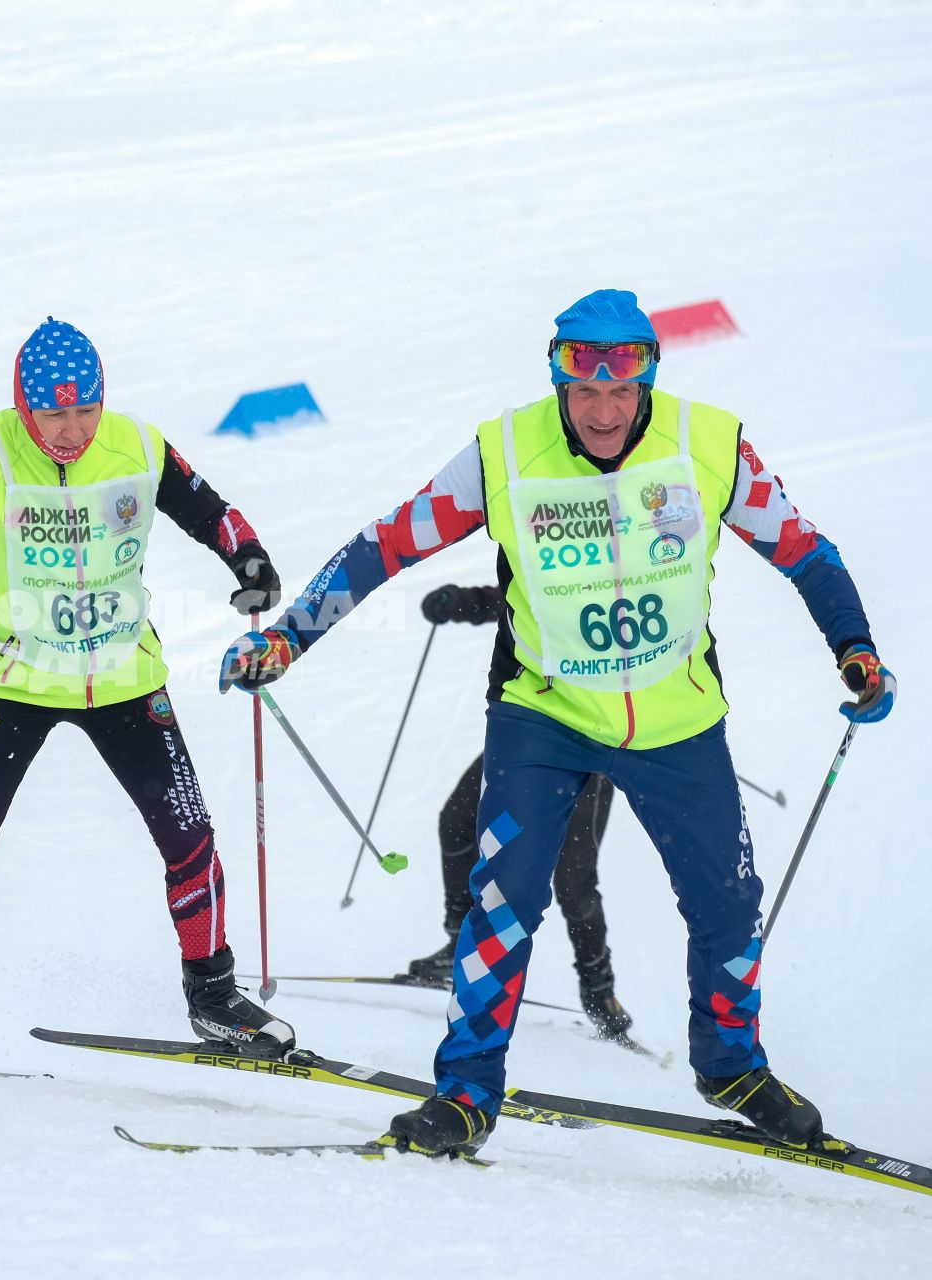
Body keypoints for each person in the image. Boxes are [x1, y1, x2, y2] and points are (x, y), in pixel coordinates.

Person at [221, 290, 894, 1157]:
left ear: (648, 376)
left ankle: (731, 1065)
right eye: (585, 392)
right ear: (559, 379)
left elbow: (805, 549)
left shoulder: (710, 443)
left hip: (677, 719)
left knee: (727, 905)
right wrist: (289, 637)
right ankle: (464, 1093)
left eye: (622, 391)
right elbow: (387, 543)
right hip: (543, 715)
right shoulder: (505, 450)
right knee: (502, 905)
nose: (605, 412)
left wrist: (856, 647)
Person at [0, 317, 293, 1065]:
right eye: (53, 414)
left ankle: (215, 998)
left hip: (123, 678)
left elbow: (216, 513)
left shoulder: (138, 444)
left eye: (86, 411)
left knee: (190, 835)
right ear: (23, 405)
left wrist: (250, 560)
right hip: (12, 683)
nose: (72, 430)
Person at [410, 583, 632, 1040]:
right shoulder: (555, 569)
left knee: (573, 876)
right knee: (457, 821)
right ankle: (459, 944)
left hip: (594, 742)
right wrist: (462, 601)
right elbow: (512, 595)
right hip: (529, 733)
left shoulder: (620, 579)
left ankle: (600, 990)